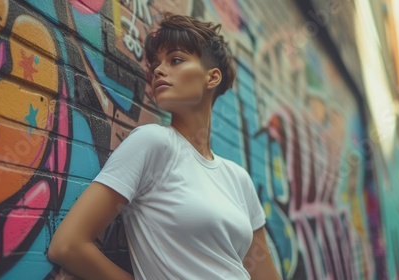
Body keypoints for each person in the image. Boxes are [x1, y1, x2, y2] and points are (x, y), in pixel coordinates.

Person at [48, 13, 282, 280]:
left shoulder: (239, 179)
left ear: (212, 77)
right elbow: (68, 245)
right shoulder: (153, 143)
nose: (158, 70)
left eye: (176, 60)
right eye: (156, 64)